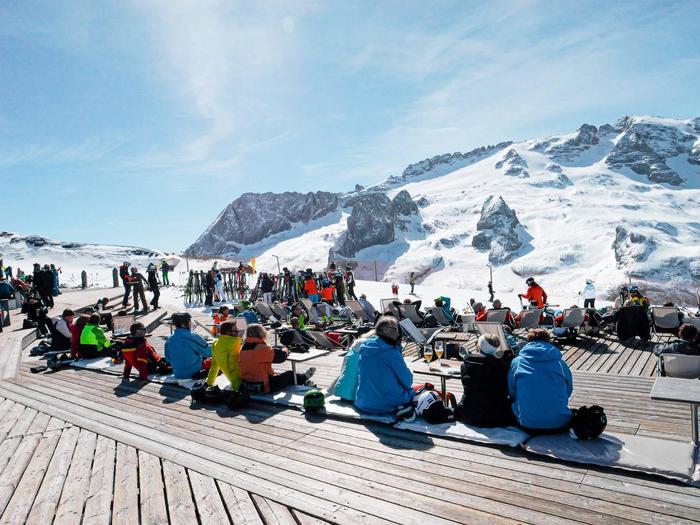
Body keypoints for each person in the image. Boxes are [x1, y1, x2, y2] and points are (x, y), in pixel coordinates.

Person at [508, 329, 573, 434]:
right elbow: (568, 390)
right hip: (559, 423)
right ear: (548, 341)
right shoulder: (560, 363)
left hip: (527, 424)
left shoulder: (517, 362)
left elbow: (512, 391)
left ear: (529, 342)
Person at [355, 316, 414, 414]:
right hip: (387, 404)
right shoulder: (392, 353)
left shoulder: (365, 348)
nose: (398, 333)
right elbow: (408, 382)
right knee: (421, 391)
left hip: (363, 403)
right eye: (396, 329)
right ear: (386, 331)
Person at [455, 334, 515, 427]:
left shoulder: (466, 364)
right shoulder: (501, 366)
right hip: (495, 417)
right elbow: (508, 390)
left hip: (469, 414)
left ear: (479, 345)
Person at [239, 324, 315, 393]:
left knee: (278, 375)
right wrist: (286, 350)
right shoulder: (261, 348)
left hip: (247, 384)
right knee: (289, 375)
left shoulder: (243, 348)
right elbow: (281, 357)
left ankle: (304, 381)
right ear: (261, 334)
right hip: (263, 386)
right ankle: (305, 377)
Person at [164, 312, 212, 379]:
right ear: (184, 324)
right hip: (194, 373)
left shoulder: (169, 340)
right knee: (214, 360)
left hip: (177, 374)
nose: (191, 323)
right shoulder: (193, 337)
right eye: (190, 321)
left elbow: (168, 359)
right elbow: (209, 353)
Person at [332, 330, 374, 402]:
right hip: (356, 397)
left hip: (341, 391)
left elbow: (343, 369)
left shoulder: (355, 345)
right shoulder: (372, 347)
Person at [206, 320, 242, 389]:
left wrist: (208, 383)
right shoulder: (234, 343)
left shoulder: (215, 344)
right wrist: (238, 387)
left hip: (230, 378)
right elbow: (234, 366)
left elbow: (214, 366)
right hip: (237, 380)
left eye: (237, 329)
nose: (238, 332)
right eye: (235, 330)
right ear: (227, 333)